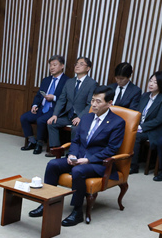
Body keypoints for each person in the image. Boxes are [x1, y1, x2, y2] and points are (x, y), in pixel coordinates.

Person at [29, 86, 125, 226]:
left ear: (109, 103)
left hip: (99, 163)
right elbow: (76, 141)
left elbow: (111, 149)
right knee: (52, 165)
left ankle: (77, 211)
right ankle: (47, 203)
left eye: (98, 101)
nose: (93, 104)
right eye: (92, 100)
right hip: (78, 158)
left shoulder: (117, 122)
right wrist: (72, 154)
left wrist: (88, 160)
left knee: (78, 170)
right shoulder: (86, 117)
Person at [46, 57, 98, 155]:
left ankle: (73, 152)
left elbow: (90, 104)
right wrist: (55, 115)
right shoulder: (69, 82)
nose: (77, 66)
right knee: (51, 123)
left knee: (75, 128)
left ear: (88, 68)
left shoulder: (92, 84)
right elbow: (61, 100)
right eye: (76, 64)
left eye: (81, 64)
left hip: (81, 116)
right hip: (68, 115)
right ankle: (57, 149)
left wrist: (80, 117)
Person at [20, 55, 66, 154]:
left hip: (54, 110)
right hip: (42, 108)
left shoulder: (67, 81)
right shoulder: (46, 80)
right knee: (24, 117)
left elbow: (67, 99)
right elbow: (38, 95)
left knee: (41, 120)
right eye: (50, 65)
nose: (52, 67)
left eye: (55, 65)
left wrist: (54, 97)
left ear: (62, 66)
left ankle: (39, 144)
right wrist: (34, 105)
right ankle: (32, 141)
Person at [130, 71, 162, 174]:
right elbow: (137, 113)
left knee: (135, 136)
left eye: (155, 82)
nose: (151, 84)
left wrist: (141, 127)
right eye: (150, 81)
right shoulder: (145, 95)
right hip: (141, 127)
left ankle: (133, 166)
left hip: (154, 130)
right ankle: (120, 160)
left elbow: (160, 119)